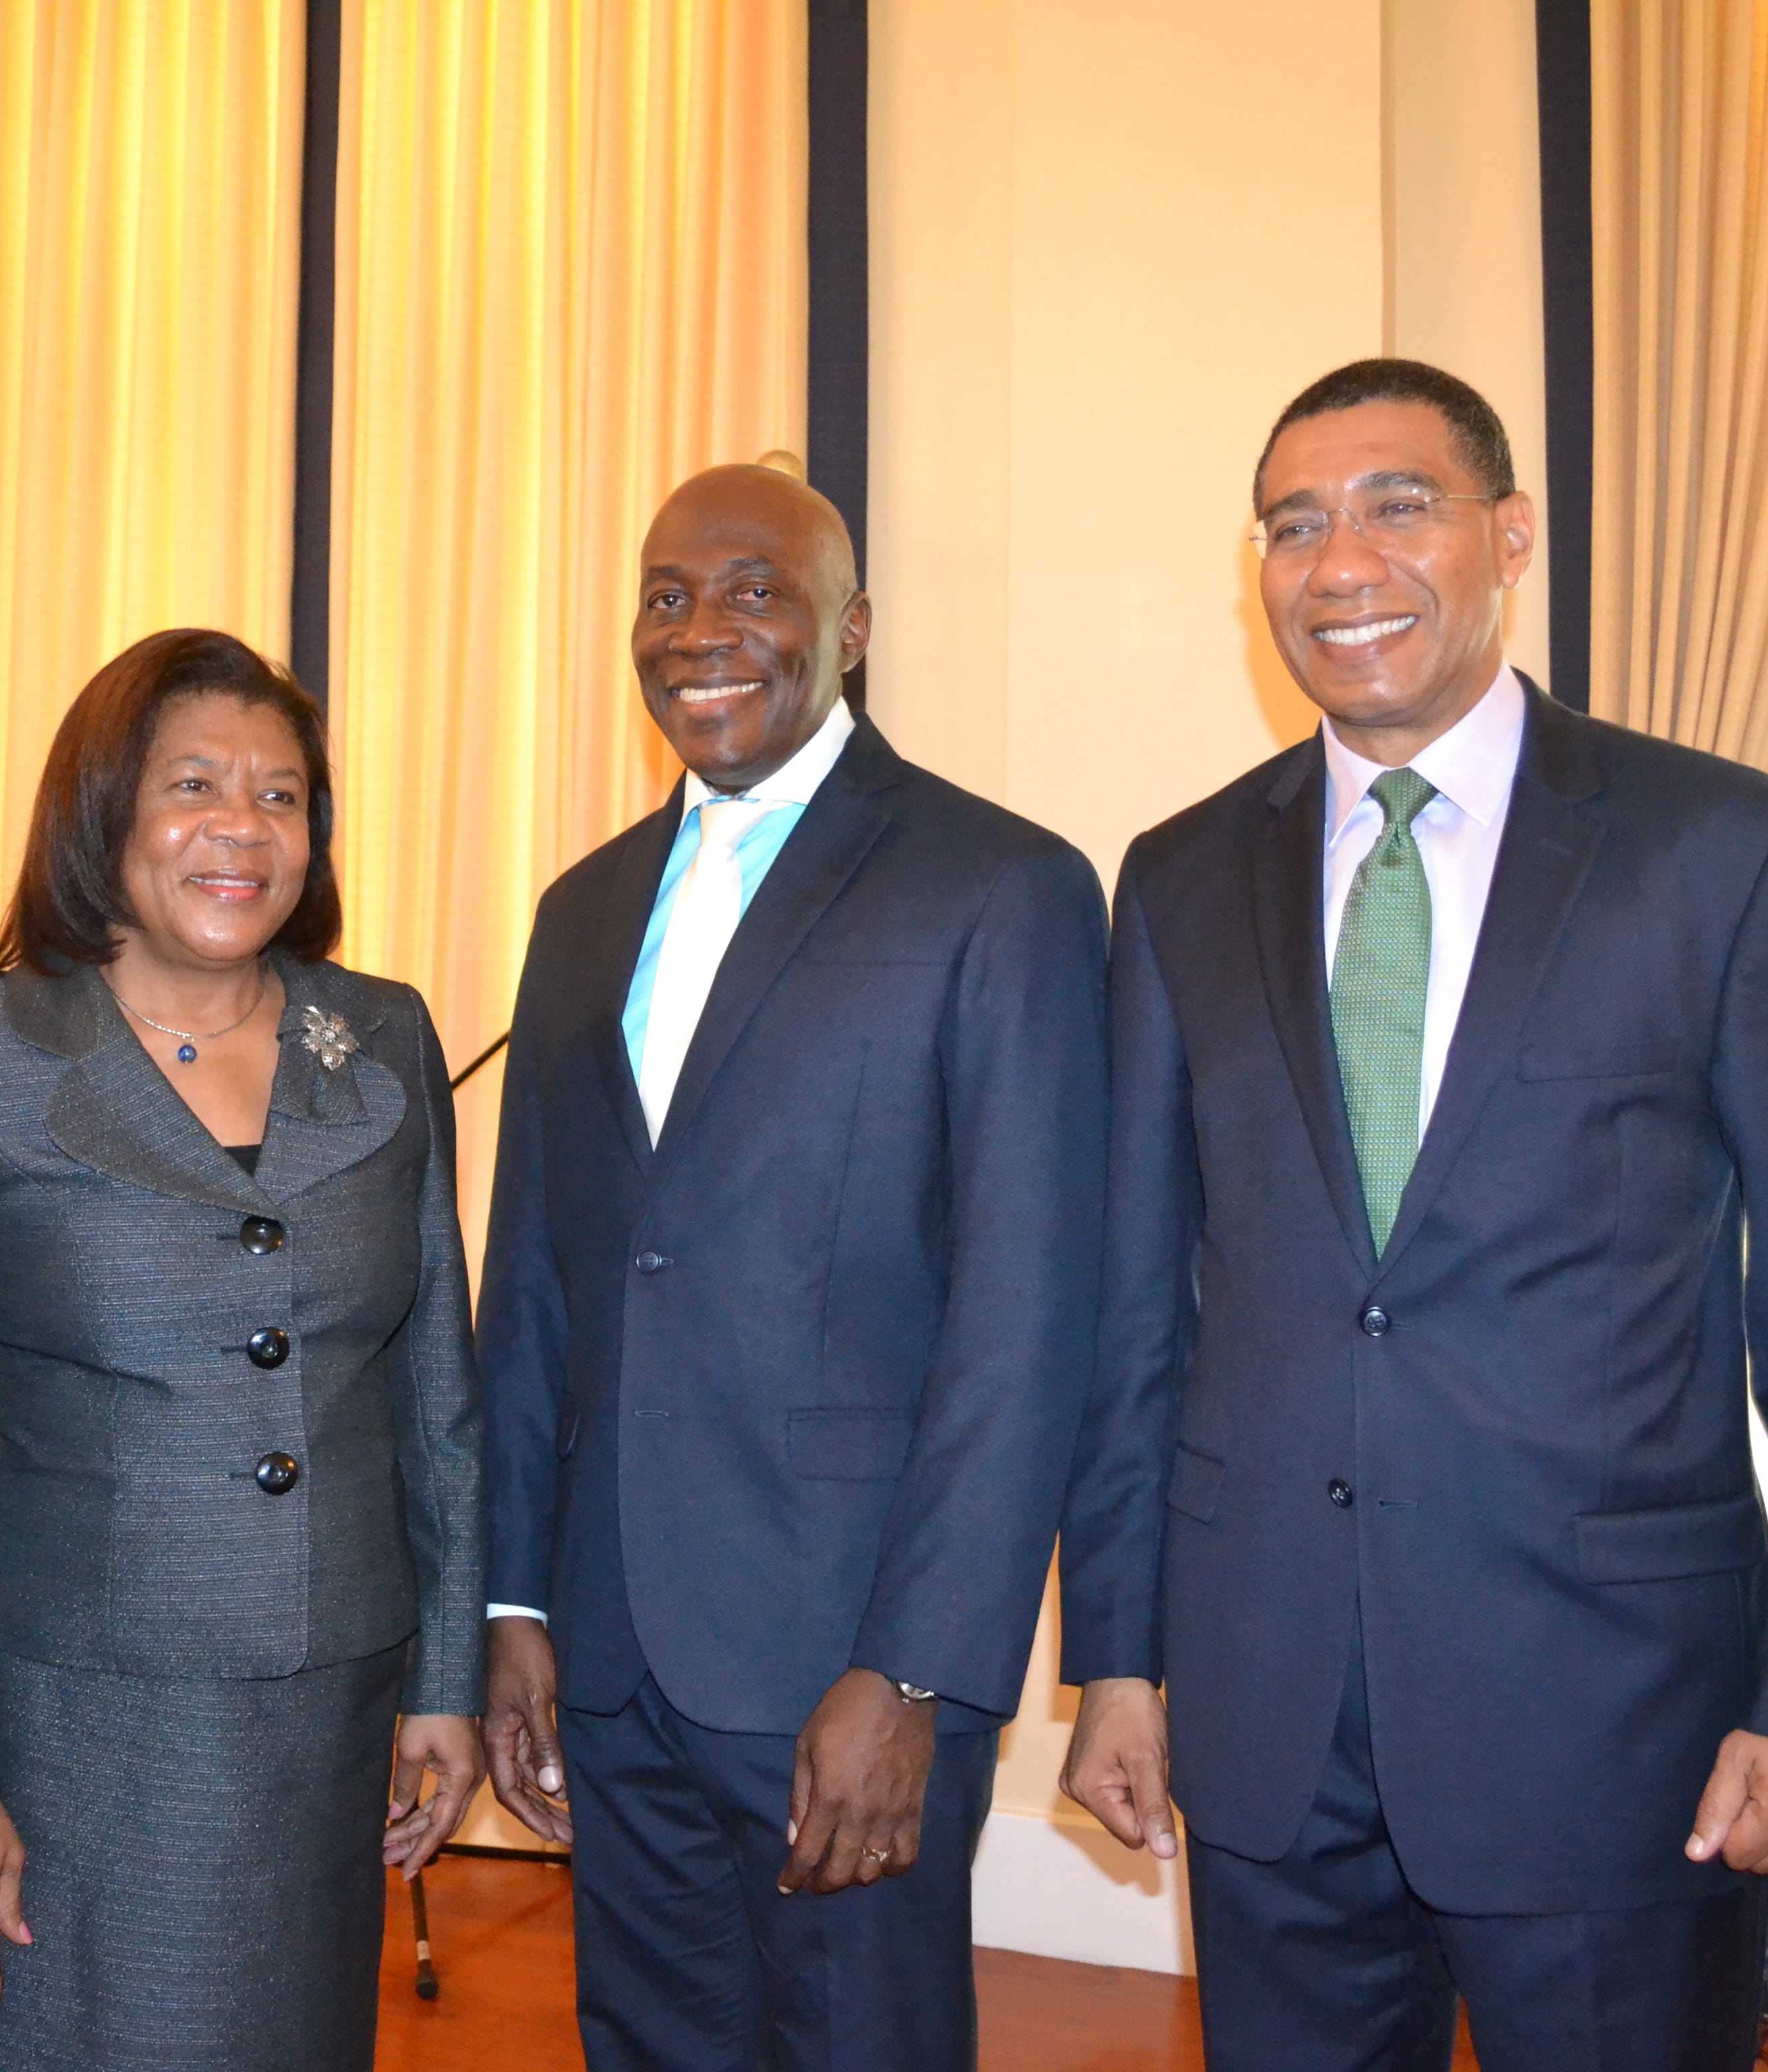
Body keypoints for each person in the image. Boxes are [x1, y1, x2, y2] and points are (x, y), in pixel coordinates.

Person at [1056, 359, 1768, 2069]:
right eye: (1294, 526)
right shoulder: (1178, 880)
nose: (1341, 564)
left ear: (1512, 536)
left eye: (1399, 504)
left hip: (1621, 1734)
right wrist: (1117, 1658)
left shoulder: (1727, 853)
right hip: (1268, 1722)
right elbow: (1135, 1318)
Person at [477, 463, 1110, 2070]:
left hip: (848, 1660)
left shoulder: (1000, 887)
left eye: (756, 588)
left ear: (854, 629)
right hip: (612, 1652)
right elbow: (536, 1287)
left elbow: (1026, 1321)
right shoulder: (578, 910)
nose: (705, 629)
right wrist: (514, 1597)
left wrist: (914, 1669)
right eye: (669, 595)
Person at [0, 628, 485, 2071]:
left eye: (282, 795)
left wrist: (446, 1679)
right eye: (194, 785)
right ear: (105, 808)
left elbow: (439, 1395)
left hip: (327, 1725)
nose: (241, 830)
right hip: (68, 1737)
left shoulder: (378, 1039)